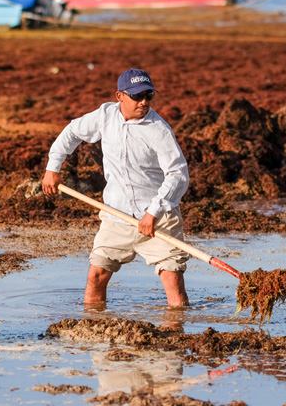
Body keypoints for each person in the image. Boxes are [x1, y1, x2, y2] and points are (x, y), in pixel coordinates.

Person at [42, 68, 190, 307]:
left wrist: (153, 212)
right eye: (137, 96)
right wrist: (53, 168)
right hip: (116, 216)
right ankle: (94, 329)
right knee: (96, 277)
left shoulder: (159, 131)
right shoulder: (105, 116)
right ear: (120, 96)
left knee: (172, 282)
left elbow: (178, 174)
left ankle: (178, 337)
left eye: (149, 96)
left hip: (158, 219)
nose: (143, 102)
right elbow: (71, 132)